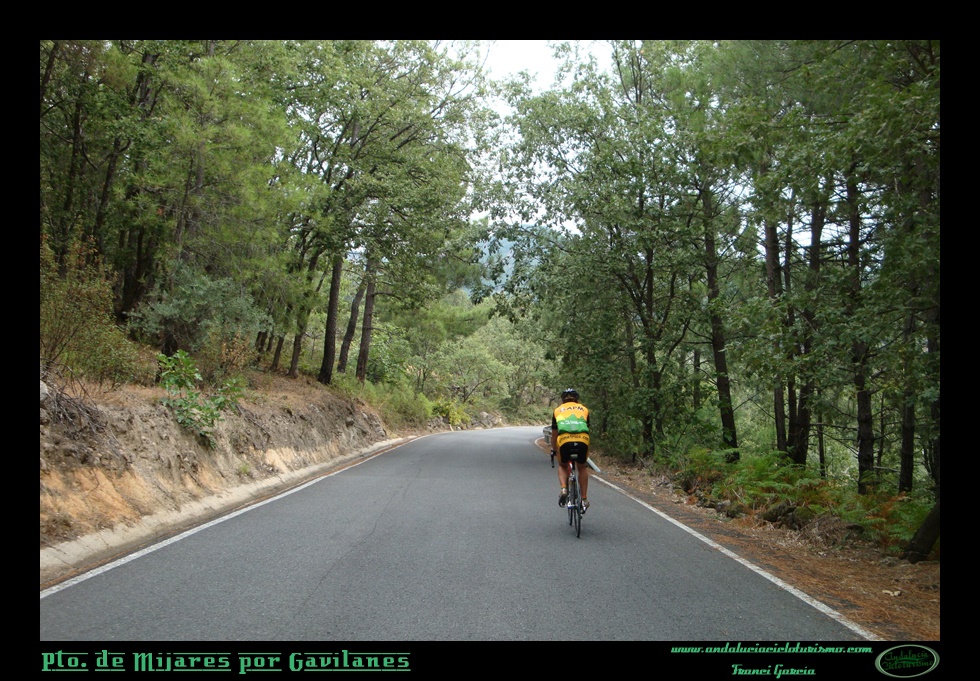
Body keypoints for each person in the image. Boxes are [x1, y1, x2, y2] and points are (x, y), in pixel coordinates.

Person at [551, 388, 591, 513]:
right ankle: (584, 499)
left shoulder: (557, 410)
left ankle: (564, 488)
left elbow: (554, 433)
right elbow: (587, 428)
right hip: (582, 440)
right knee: (582, 467)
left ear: (563, 400)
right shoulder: (584, 409)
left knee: (562, 465)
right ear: (576, 399)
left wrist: (553, 450)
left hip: (564, 441)